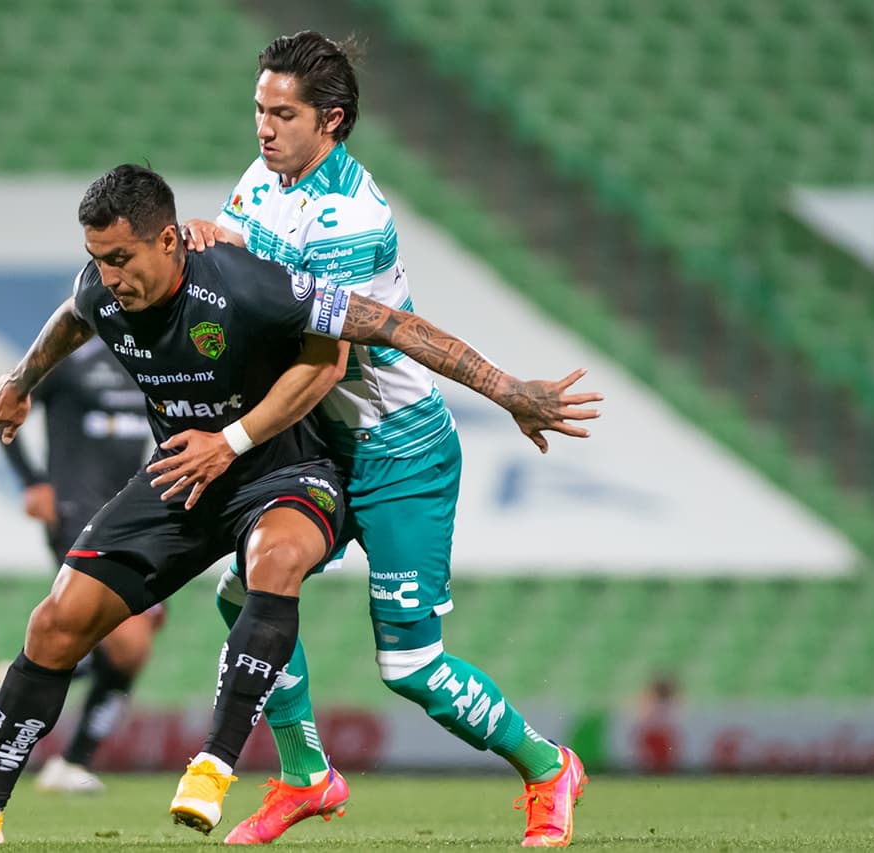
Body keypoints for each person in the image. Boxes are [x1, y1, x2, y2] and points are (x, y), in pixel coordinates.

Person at [0, 164, 599, 844]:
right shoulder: (104, 292)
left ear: (169, 242)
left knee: (287, 576)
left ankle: (215, 765)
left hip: (287, 470)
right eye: (97, 260)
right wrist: (21, 380)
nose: (108, 277)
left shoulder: (246, 284)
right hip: (185, 476)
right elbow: (73, 317)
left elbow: (391, 326)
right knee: (56, 620)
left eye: (120, 259)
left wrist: (511, 389)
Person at [174, 31, 596, 847]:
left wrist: (229, 437)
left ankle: (549, 767)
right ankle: (306, 776)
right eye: (259, 109)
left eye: (283, 114)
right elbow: (243, 256)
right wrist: (212, 239)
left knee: (411, 668)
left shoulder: (352, 218)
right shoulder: (262, 181)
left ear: (330, 121)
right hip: (323, 450)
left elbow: (326, 361)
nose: (263, 128)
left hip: (399, 451)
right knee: (244, 590)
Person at [0, 342, 163, 794]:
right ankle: (62, 740)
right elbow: (5, 404)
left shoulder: (147, 354)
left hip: (133, 509)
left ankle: (71, 755)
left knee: (132, 648)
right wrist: (33, 482)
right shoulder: (67, 358)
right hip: (75, 512)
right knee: (127, 641)